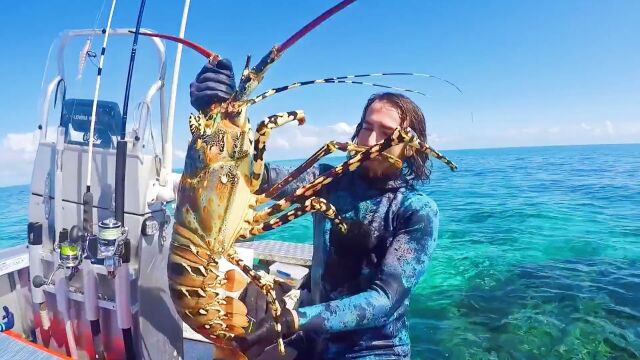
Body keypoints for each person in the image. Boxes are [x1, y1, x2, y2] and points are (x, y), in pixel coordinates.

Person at [190, 59, 440, 359]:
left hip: (373, 350)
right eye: (366, 128)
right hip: (314, 339)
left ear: (410, 147)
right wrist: (214, 114)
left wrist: (293, 320)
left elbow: (385, 300)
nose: (371, 140)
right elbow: (253, 177)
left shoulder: (416, 210)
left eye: (386, 134)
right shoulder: (328, 179)